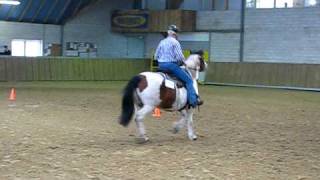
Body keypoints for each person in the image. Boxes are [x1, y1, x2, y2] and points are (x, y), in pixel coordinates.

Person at [154, 25, 203, 108]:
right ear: (175, 34)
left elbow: (156, 56)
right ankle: (193, 101)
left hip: (160, 66)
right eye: (177, 33)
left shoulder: (162, 42)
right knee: (189, 81)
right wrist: (184, 63)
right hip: (171, 66)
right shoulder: (175, 42)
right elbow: (180, 57)